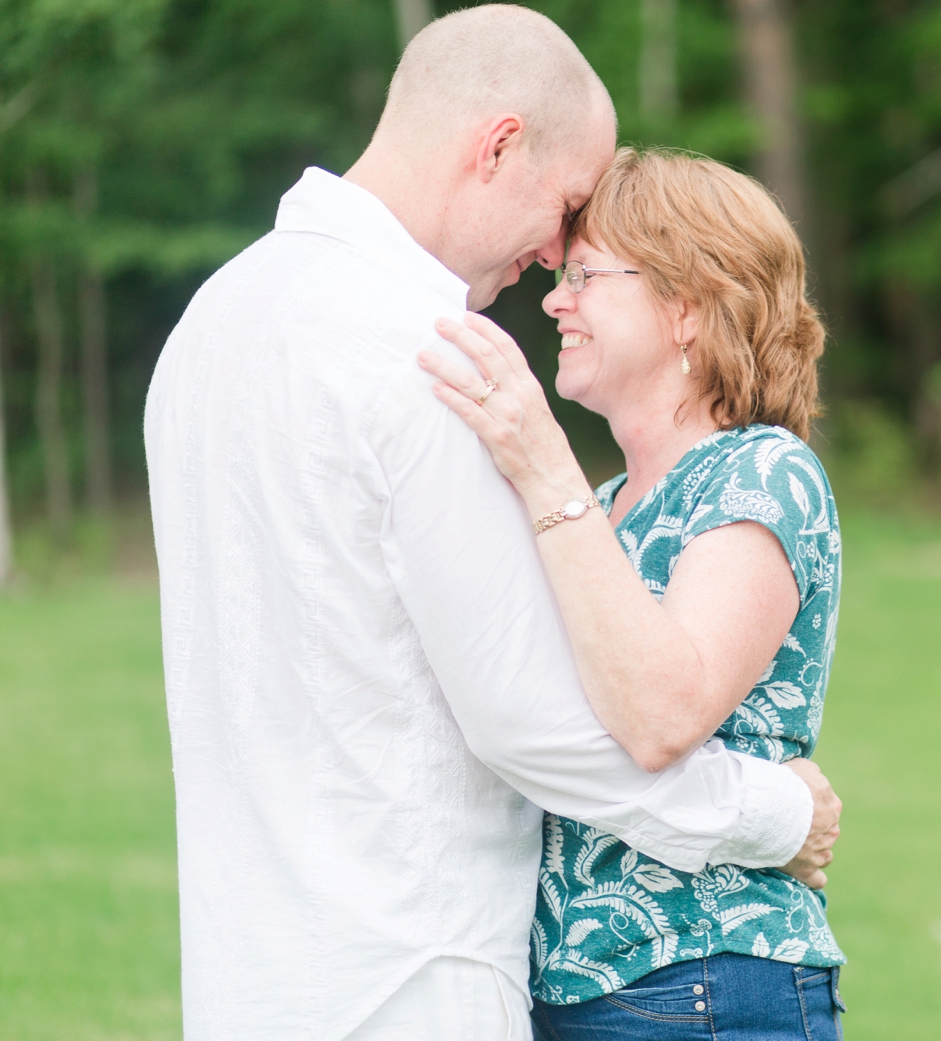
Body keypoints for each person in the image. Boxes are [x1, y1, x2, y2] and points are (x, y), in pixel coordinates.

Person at [142, 8, 840, 1041]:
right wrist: (775, 812)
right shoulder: (427, 359)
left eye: (589, 263)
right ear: (498, 145)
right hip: (414, 973)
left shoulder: (214, 322)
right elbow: (532, 721)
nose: (554, 260)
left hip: (257, 979)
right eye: (564, 211)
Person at [418, 147, 846, 1041]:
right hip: (575, 989)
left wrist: (542, 467)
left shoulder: (763, 470)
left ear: (686, 306)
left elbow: (662, 714)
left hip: (707, 980)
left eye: (583, 275)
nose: (552, 300)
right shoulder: (607, 509)